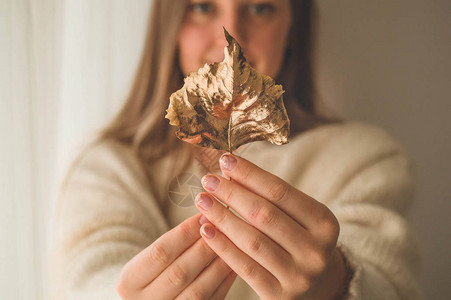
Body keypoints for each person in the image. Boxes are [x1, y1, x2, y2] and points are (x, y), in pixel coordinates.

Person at [49, 0, 421, 299]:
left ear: (294, 26)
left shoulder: (361, 156)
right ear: (170, 25)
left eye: (260, 8)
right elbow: (86, 279)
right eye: (202, 6)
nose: (230, 39)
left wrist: (338, 283)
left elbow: (390, 277)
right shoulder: (108, 164)